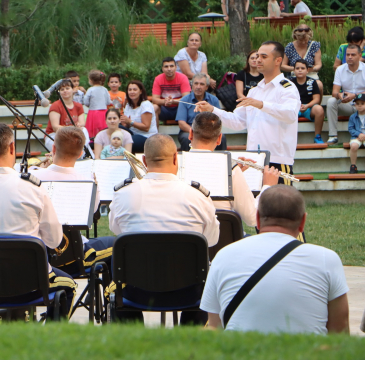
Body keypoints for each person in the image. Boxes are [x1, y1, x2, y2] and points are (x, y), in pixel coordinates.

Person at [0, 123, 76, 318]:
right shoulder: (33, 188)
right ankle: (49, 336)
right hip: (31, 284)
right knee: (69, 286)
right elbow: (54, 241)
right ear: (12, 148)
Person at [201, 185, 349, 334]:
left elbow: (215, 327)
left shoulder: (223, 256)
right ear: (303, 221)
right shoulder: (327, 259)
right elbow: (340, 333)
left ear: (258, 219)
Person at [108, 134, 219, 325]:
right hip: (189, 293)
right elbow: (212, 239)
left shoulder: (123, 194)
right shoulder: (198, 196)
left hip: (136, 292)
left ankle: (130, 337)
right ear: (176, 158)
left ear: (144, 161)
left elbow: (117, 230)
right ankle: (192, 337)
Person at [195, 41, 301, 185]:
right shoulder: (254, 91)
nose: (258, 60)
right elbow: (237, 121)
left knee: (279, 199)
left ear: (278, 60)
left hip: (277, 160)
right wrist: (212, 110)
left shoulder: (287, 88)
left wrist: (262, 105)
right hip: (253, 159)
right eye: (257, 56)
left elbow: (290, 114)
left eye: (264, 57)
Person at [30, 126, 115, 275]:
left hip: (40, 256)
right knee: (118, 243)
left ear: (53, 148)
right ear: (81, 153)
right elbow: (93, 214)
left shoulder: (32, 176)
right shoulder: (88, 183)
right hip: (74, 259)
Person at [188, 112, 279, 227]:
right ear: (219, 139)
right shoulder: (231, 170)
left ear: (190, 134)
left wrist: (232, 174)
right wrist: (267, 186)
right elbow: (252, 218)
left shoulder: (176, 165)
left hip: (184, 236)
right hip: (222, 237)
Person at [176, 73, 226, 152]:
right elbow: (182, 124)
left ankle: (221, 159)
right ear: (192, 85)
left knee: (222, 138)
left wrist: (206, 132)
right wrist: (196, 132)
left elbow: (218, 120)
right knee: (186, 138)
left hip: (209, 131)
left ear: (206, 87)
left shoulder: (213, 100)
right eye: (196, 83)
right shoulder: (184, 100)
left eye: (202, 84)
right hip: (190, 130)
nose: (198, 87)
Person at [326, 44, 365, 144]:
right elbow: (334, 92)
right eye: (347, 55)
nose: (350, 57)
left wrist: (355, 95)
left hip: (363, 104)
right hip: (347, 104)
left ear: (360, 56)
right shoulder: (340, 69)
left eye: (353, 55)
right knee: (331, 101)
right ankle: (333, 136)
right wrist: (339, 95)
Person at [44, 79, 88, 152]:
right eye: (62, 89)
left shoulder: (78, 106)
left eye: (67, 88)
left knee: (84, 130)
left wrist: (79, 125)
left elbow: (82, 123)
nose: (65, 91)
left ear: (73, 89)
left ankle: (82, 152)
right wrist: (72, 128)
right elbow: (55, 127)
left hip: (73, 135)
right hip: (56, 135)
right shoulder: (55, 106)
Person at [281, 23, 323, 96]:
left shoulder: (314, 45)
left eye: (305, 40)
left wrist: (310, 69)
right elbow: (282, 65)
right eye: (301, 41)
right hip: (294, 75)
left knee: (319, 85)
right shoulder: (289, 47)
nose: (303, 42)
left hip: (310, 74)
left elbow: (318, 64)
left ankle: (316, 102)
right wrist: (296, 69)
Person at [291, 60, 324, 144]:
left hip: (309, 107)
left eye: (302, 68)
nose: (300, 70)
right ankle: (288, 139)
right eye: (297, 68)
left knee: (319, 109)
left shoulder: (312, 82)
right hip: (295, 107)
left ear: (307, 70)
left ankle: (317, 136)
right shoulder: (290, 83)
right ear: (294, 70)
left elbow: (316, 99)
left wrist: (307, 106)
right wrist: (297, 106)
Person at [151, 57, 191, 126]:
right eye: (166, 67)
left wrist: (173, 101)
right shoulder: (158, 79)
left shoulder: (183, 78)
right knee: (154, 107)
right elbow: (154, 99)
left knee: (191, 107)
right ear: (162, 69)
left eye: (171, 66)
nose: (169, 69)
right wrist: (165, 101)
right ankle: (155, 132)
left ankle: (188, 131)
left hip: (179, 108)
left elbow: (186, 99)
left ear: (176, 67)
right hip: (164, 108)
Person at [121, 80, 157, 153]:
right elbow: (127, 125)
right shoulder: (128, 105)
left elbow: (146, 127)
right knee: (115, 128)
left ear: (140, 91)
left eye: (135, 89)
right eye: (130, 90)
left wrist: (130, 122)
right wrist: (125, 123)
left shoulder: (145, 105)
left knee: (127, 140)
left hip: (147, 137)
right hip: (133, 133)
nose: (132, 92)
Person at [83, 70, 111, 139]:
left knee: (93, 129)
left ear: (91, 80)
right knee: (103, 128)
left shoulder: (90, 89)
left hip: (93, 113)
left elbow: (86, 102)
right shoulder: (105, 89)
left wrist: (89, 105)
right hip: (104, 113)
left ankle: (92, 140)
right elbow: (108, 102)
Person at [347, 93, 365, 174]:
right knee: (354, 146)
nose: (359, 106)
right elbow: (351, 129)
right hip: (356, 137)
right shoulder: (352, 117)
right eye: (357, 104)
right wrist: (359, 134)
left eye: (362, 103)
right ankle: (353, 166)